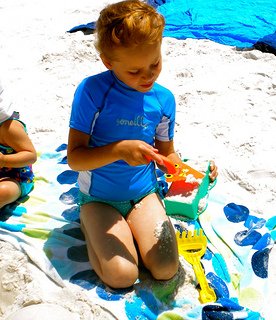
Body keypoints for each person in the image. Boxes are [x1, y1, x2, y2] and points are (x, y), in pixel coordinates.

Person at [67, 0, 218, 289]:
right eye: (134, 72)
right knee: (122, 276)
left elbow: (166, 154)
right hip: (99, 198)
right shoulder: (93, 91)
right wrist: (120, 150)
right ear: (108, 62)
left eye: (155, 64)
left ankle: (127, 229)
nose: (147, 76)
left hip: (144, 194)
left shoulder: (163, 100)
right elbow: (75, 159)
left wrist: (194, 174)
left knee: (165, 268)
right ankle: (88, 221)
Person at [0, 81, 37, 210]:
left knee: (2, 192)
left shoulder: (9, 128)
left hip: (15, 177)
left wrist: (4, 160)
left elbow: (31, 156)